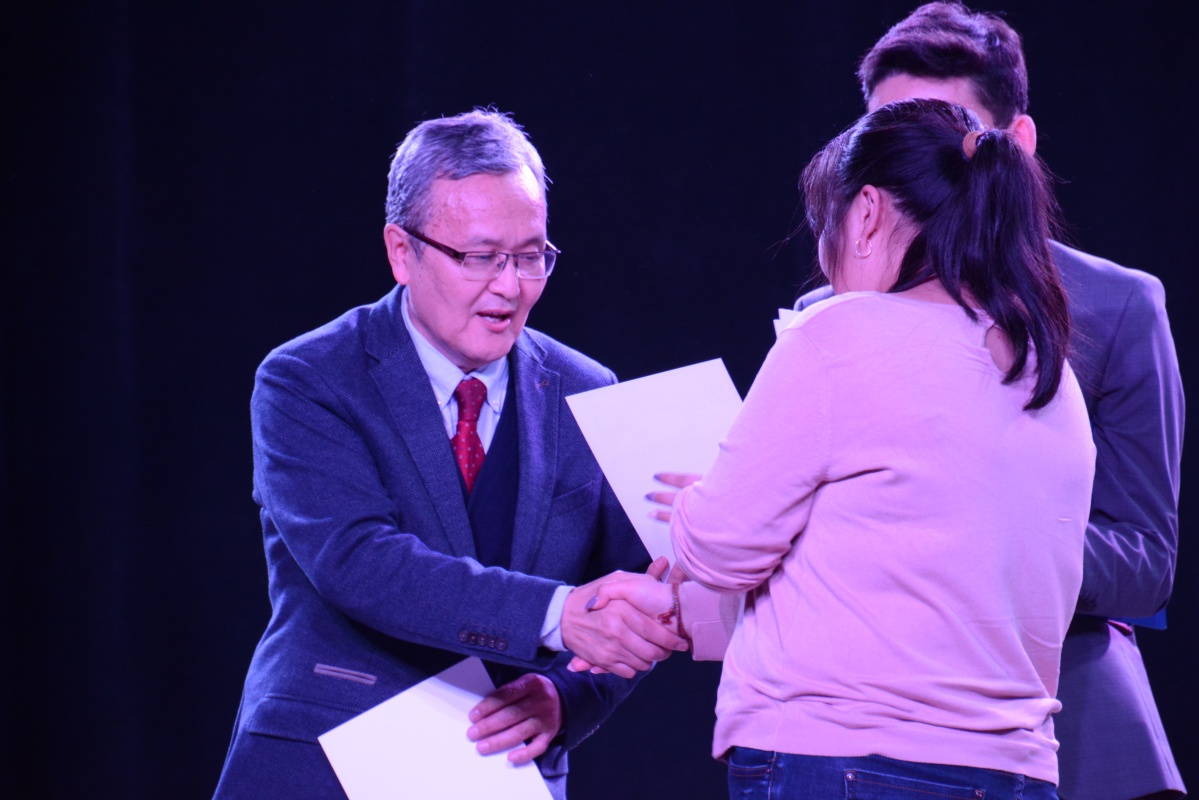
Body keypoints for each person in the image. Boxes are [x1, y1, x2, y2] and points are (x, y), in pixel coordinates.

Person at [596, 97, 1096, 796]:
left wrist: (701, 500)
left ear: (864, 213)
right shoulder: (1050, 374)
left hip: (842, 759)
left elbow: (718, 550)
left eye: (821, 228)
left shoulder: (838, 335)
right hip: (1014, 772)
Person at [212, 109, 687, 800]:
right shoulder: (308, 379)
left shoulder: (588, 391)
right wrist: (558, 614)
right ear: (401, 251)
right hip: (330, 757)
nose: (510, 285)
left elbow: (632, 593)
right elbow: (360, 562)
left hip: (498, 767)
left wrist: (565, 698)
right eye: (479, 257)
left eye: (531, 256)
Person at [793, 6, 1185, 797]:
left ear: (1018, 143)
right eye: (889, 136)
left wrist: (980, 539)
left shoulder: (1114, 306)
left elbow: (1145, 561)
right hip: (866, 714)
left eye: (948, 135)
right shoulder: (825, 318)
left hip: (1059, 714)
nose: (917, 167)